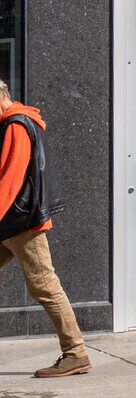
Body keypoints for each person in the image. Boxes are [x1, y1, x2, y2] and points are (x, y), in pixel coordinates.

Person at [0, 79, 89, 378]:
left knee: (44, 285)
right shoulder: (13, 122)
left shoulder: (17, 125)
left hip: (23, 223)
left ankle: (75, 353)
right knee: (44, 285)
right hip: (9, 222)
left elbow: (9, 183)